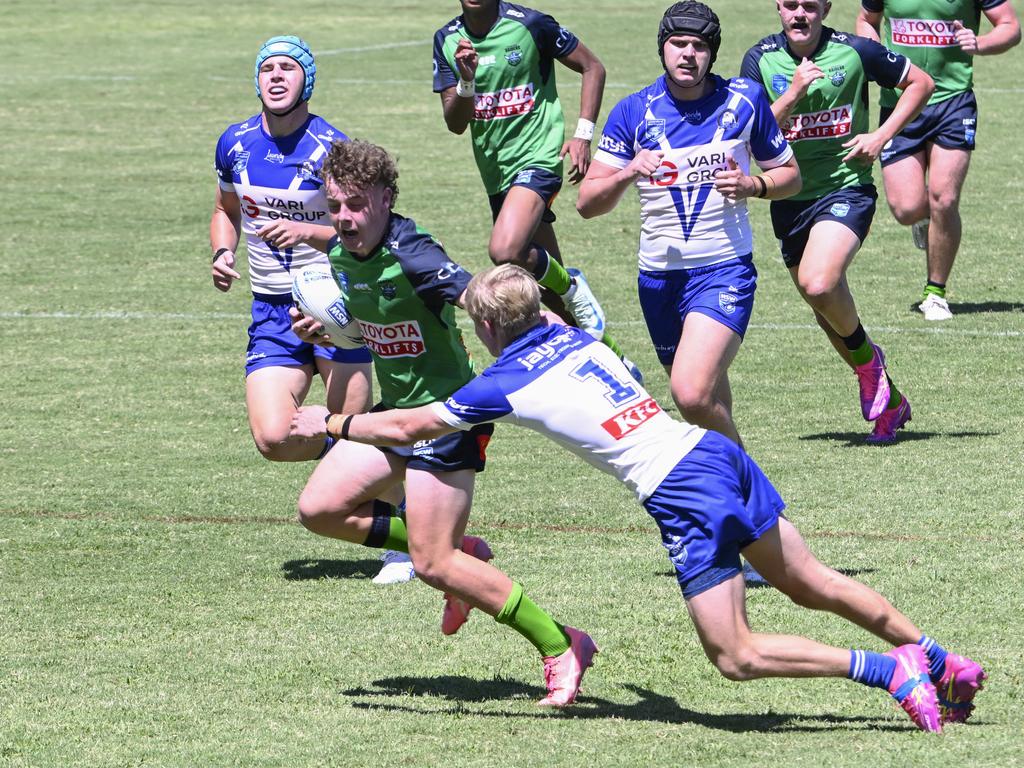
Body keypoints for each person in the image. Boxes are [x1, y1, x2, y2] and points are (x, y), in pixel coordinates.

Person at [293, 263, 987, 728]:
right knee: (814, 583)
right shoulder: (578, 336)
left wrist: (330, 423)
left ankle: (887, 671)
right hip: (714, 454)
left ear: (486, 329)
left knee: (736, 656)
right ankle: (937, 656)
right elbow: (567, 302)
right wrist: (550, 271)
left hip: (681, 490)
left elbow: (413, 425)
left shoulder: (501, 382)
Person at [288, 140, 598, 707]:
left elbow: (478, 296)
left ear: (385, 198)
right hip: (396, 412)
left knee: (432, 563)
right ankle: (464, 554)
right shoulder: (341, 256)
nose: (344, 217)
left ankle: (562, 644)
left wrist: (551, 322)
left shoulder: (415, 255)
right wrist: (328, 333)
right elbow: (374, 328)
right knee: (321, 510)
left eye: (356, 204)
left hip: (446, 419)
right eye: (334, 206)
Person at [209, 36, 411, 584]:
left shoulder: (330, 148)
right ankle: (370, 438)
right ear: (257, 79)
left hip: (335, 304)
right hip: (272, 311)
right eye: (267, 69)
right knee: (274, 440)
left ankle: (407, 537)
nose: (277, 77)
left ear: (307, 80)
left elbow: (365, 231)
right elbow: (226, 209)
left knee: (357, 431)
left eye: (288, 68)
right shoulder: (235, 142)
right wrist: (224, 250)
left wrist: (307, 232)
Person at [577, 2, 801, 446]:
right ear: (662, 48)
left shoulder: (744, 100)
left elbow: (791, 177)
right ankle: (733, 499)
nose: (687, 54)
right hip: (657, 280)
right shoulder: (634, 112)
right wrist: (628, 172)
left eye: (699, 46)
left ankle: (751, 488)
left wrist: (753, 184)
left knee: (690, 393)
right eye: (678, 44)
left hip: (723, 270)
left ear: (712, 54)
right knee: (706, 404)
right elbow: (586, 203)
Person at [740, 2, 934, 443]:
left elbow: (920, 83)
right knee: (827, 310)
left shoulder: (855, 51)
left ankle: (870, 367)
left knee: (818, 284)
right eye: (790, 4)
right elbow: (751, 133)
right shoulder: (759, 58)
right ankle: (890, 401)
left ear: (825, 7)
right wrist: (791, 94)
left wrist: (881, 137)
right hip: (787, 197)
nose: (799, 13)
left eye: (810, 4)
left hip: (846, 189)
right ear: (778, 7)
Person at [432, 0, 640, 380]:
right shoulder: (447, 40)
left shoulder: (531, 25)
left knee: (505, 250)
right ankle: (615, 362)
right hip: (497, 175)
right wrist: (466, 79)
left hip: (538, 159)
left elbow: (593, 67)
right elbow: (455, 123)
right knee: (551, 300)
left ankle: (575, 285)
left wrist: (582, 136)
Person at [857, 0, 1021, 320]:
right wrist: (877, 54)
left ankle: (935, 293)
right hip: (901, 102)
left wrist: (980, 43)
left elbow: (1011, 27)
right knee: (906, 209)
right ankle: (923, 221)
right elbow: (866, 20)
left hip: (953, 103)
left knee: (944, 200)